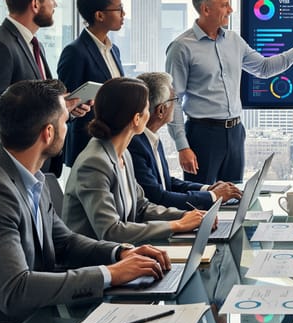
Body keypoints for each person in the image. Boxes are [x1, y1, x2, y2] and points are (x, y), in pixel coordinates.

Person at [0, 79, 170, 323]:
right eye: (65, 121)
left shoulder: (29, 177)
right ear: (48, 133)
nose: (69, 127)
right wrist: (109, 274)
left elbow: (65, 242)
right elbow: (16, 290)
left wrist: (121, 253)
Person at [166, 0, 293, 184]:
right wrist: (182, 146)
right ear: (206, 9)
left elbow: (264, 68)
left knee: (233, 198)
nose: (230, 10)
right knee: (202, 200)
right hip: (202, 136)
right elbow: (173, 100)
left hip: (235, 133)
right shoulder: (181, 47)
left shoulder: (234, 40)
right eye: (224, 5)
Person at [0, 0, 91, 174]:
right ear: (35, 4)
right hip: (9, 171)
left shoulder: (35, 45)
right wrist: (52, 106)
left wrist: (64, 108)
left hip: (37, 169)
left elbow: (39, 104)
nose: (55, 4)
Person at [63, 77, 205, 244]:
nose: (149, 113)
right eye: (146, 108)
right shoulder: (94, 163)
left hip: (123, 253)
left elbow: (141, 207)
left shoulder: (123, 154)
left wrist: (184, 216)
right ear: (137, 119)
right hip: (94, 261)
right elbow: (111, 231)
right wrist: (176, 225)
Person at [129, 71, 240, 210]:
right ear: (161, 110)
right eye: (174, 100)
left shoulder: (150, 137)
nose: (176, 105)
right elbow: (158, 198)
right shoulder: (135, 144)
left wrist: (208, 189)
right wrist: (213, 196)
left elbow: (166, 182)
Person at [57, 0, 126, 167]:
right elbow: (66, 102)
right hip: (87, 145)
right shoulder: (75, 52)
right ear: (99, 15)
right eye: (119, 9)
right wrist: (75, 108)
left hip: (115, 143)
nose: (123, 14)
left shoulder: (114, 50)